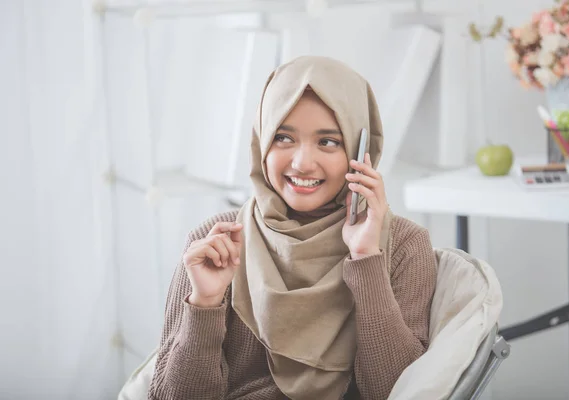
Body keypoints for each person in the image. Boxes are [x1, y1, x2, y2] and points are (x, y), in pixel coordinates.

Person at [148, 55, 437, 400]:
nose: (301, 163)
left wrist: (365, 258)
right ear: (262, 142)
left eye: (328, 141)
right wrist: (205, 304)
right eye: (283, 137)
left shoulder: (403, 246)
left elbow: (396, 392)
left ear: (361, 154)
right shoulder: (214, 244)